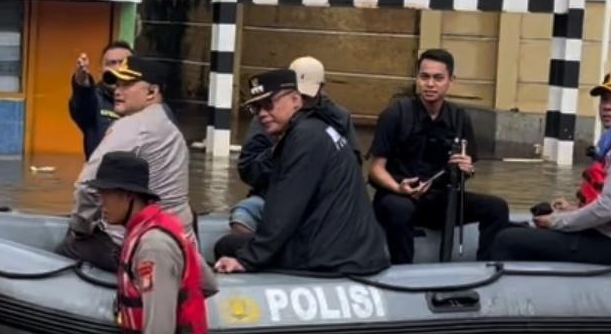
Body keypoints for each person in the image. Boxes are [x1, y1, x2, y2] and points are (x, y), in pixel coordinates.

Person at [92, 151, 231, 334]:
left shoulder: (153, 246)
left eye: (105, 193)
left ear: (127, 195)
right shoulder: (162, 227)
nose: (101, 202)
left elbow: (160, 329)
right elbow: (208, 283)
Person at [213, 69, 389, 276]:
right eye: (256, 107)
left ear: (296, 100)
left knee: (227, 245)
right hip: (355, 249)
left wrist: (248, 259)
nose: (261, 113)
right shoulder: (319, 127)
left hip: (332, 257)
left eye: (269, 104)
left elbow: (285, 207)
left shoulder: (303, 138)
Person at [488, 71, 611, 264]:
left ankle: (494, 291)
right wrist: (573, 209)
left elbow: (609, 209)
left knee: (507, 240)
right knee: (518, 229)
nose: (608, 106)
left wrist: (557, 222)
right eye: (604, 99)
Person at [366, 49, 512, 263]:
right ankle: (403, 272)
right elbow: (376, 169)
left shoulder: (459, 118)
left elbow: (467, 170)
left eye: (438, 78)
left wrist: (466, 169)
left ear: (451, 80)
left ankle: (486, 268)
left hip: (441, 199)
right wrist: (399, 188)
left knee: (497, 207)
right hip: (398, 196)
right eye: (424, 77)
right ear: (417, 78)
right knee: (400, 209)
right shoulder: (396, 114)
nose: (430, 84)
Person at [63, 55, 191, 271]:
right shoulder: (169, 125)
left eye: (127, 85)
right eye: (117, 83)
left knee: (67, 247)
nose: (117, 90)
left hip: (137, 246)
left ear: (152, 92)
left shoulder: (130, 127)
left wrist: (80, 228)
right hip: (180, 239)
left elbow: (86, 187)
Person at [230, 55, 357, 238]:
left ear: (321, 88)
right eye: (297, 95)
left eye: (306, 97)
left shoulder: (338, 117)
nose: (301, 103)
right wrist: (281, 152)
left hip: (323, 203)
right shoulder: (268, 116)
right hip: (274, 196)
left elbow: (352, 167)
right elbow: (248, 168)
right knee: (244, 215)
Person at [69, 40, 133, 156]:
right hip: (102, 172)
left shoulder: (146, 100)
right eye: (111, 63)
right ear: (100, 71)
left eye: (124, 63)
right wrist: (82, 83)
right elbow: (82, 104)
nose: (118, 68)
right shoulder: (95, 100)